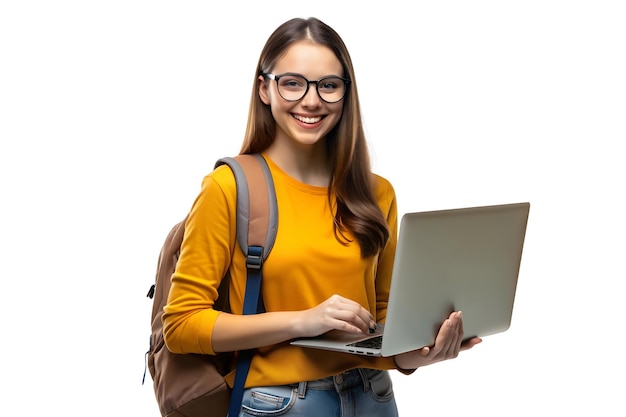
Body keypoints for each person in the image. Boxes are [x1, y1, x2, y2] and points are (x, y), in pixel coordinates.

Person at [162, 16, 482, 417]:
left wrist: (421, 354)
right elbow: (181, 326)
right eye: (293, 82)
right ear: (264, 88)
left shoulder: (376, 192)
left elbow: (383, 322)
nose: (312, 101)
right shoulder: (229, 187)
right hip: (279, 403)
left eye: (328, 85)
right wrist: (303, 321)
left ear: (346, 93)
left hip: (374, 398)